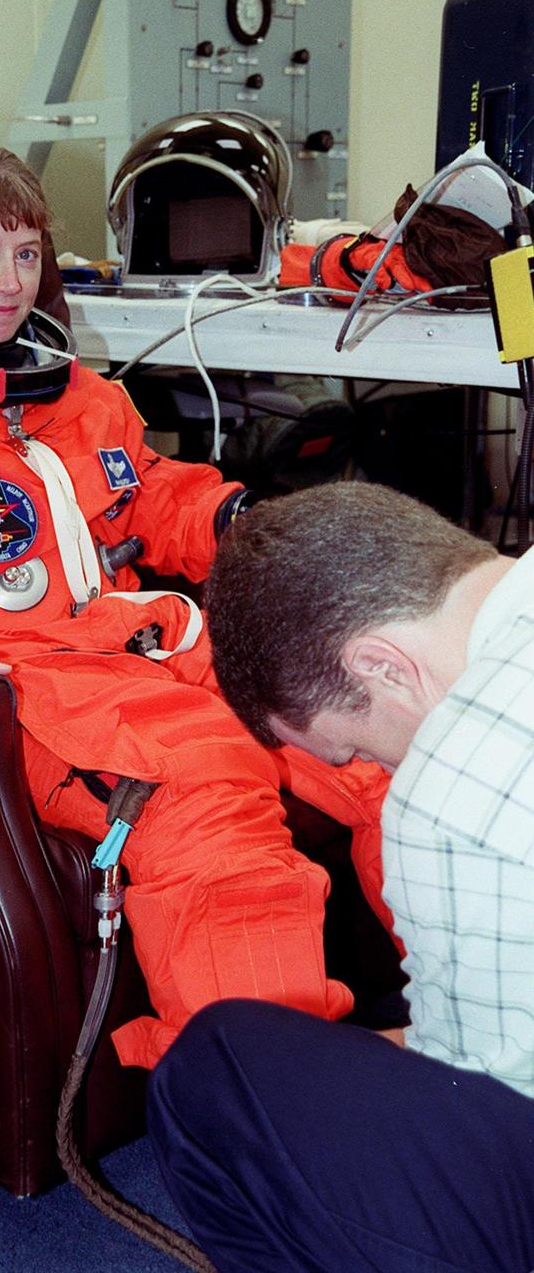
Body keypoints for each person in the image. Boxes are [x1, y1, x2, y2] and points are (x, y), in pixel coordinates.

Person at [0, 143, 391, 1070]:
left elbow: (154, 495)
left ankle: (472, 1008)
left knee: (380, 723)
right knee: (212, 785)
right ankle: (267, 1100)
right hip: (28, 683)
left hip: (148, 646)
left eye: (25, 253)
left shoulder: (78, 396)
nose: (10, 281)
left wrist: (252, 524)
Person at [147, 480, 534, 1272]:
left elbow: (491, 1098)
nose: (372, 768)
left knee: (213, 1065)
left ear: (382, 667)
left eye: (355, 747)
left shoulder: (448, 796)